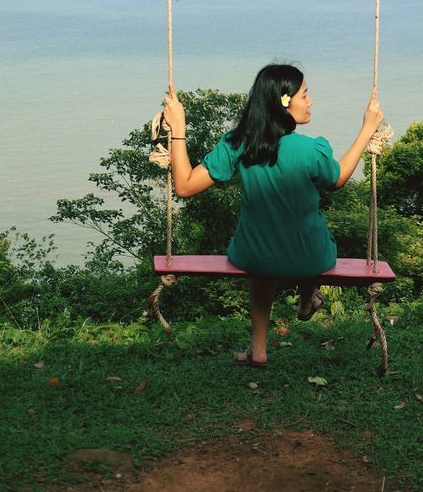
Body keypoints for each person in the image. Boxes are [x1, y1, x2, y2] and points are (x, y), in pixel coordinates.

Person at [162, 63, 384, 367]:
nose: (311, 101)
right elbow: (338, 179)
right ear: (284, 100)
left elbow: (185, 186)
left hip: (255, 256)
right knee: (309, 239)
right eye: (305, 95)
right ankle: (307, 301)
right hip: (311, 257)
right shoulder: (311, 150)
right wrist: (367, 129)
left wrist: (179, 129)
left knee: (264, 255)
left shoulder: (239, 143)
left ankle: (260, 349)